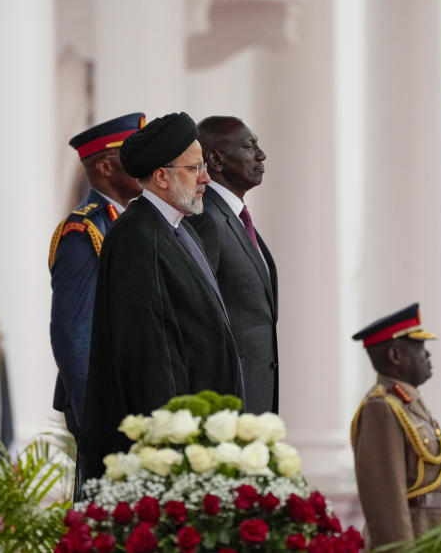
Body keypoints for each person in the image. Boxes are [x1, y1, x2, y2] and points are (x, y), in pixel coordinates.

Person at [78, 112, 243, 483]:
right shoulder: (138, 238)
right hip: (169, 450)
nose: (206, 178)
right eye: (195, 167)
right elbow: (150, 355)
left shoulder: (177, 229)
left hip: (200, 432)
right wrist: (175, 448)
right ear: (162, 176)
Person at [48, 112, 144, 440]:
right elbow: (72, 331)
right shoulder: (84, 230)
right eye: (133, 156)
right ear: (104, 168)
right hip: (106, 402)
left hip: (133, 395)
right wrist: (95, 412)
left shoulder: (130, 222)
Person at [349, 303, 441, 550]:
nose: (428, 355)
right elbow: (386, 502)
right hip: (420, 538)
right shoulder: (382, 407)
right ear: (395, 356)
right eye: (420, 348)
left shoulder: (409, 405)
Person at [186, 116, 278, 414]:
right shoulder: (206, 218)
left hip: (253, 394)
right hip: (226, 398)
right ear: (215, 159)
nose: (261, 155)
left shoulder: (234, 217)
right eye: (250, 147)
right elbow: (197, 318)